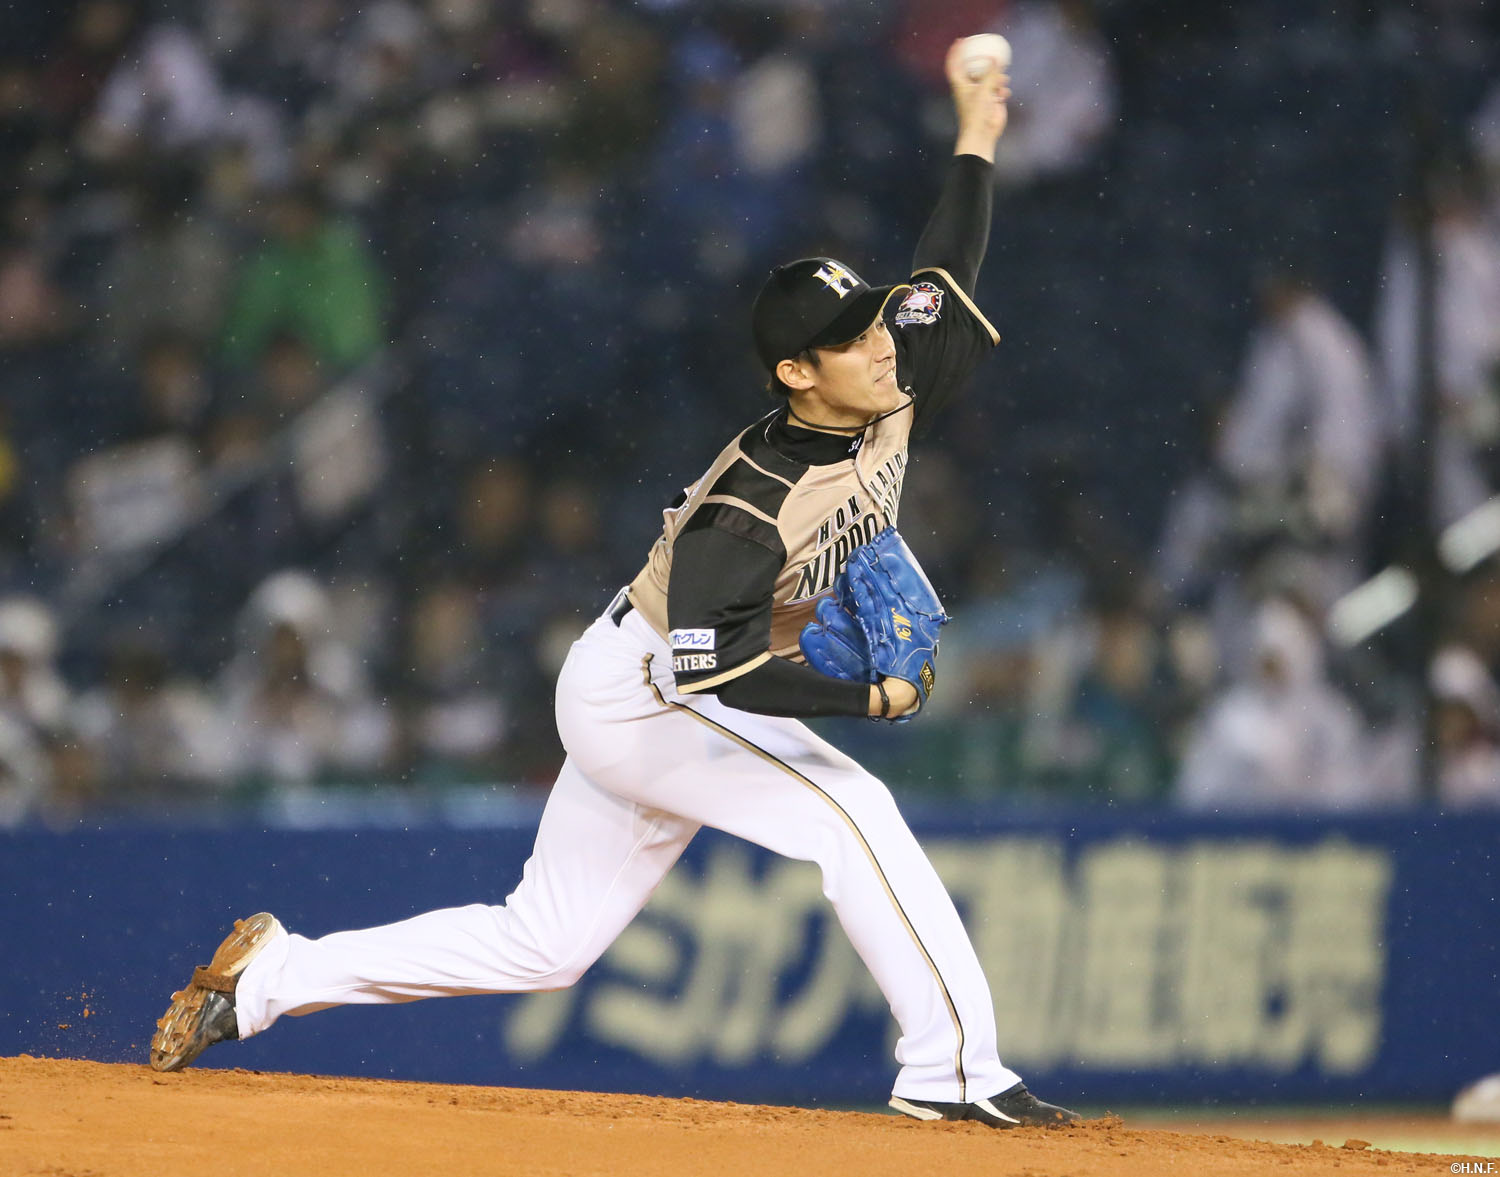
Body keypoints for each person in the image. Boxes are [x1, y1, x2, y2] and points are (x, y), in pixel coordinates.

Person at [149, 40, 1080, 1130]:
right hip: (651, 689)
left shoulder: (891, 368)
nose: (880, 343)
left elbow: (945, 269)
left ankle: (269, 978)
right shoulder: (749, 508)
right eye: (849, 339)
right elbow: (720, 674)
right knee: (853, 811)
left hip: (654, 674)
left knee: (544, 942)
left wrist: (977, 133)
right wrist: (862, 698)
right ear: (796, 374)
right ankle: (953, 1072)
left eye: (873, 321)